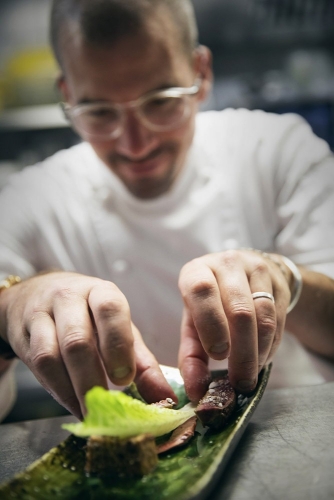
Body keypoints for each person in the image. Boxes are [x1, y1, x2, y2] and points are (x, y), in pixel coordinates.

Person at [0, 0, 334, 421]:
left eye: (160, 101)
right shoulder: (32, 197)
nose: (135, 143)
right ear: (67, 95)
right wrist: (8, 308)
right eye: (100, 112)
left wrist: (289, 281)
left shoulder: (279, 150)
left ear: (201, 72)